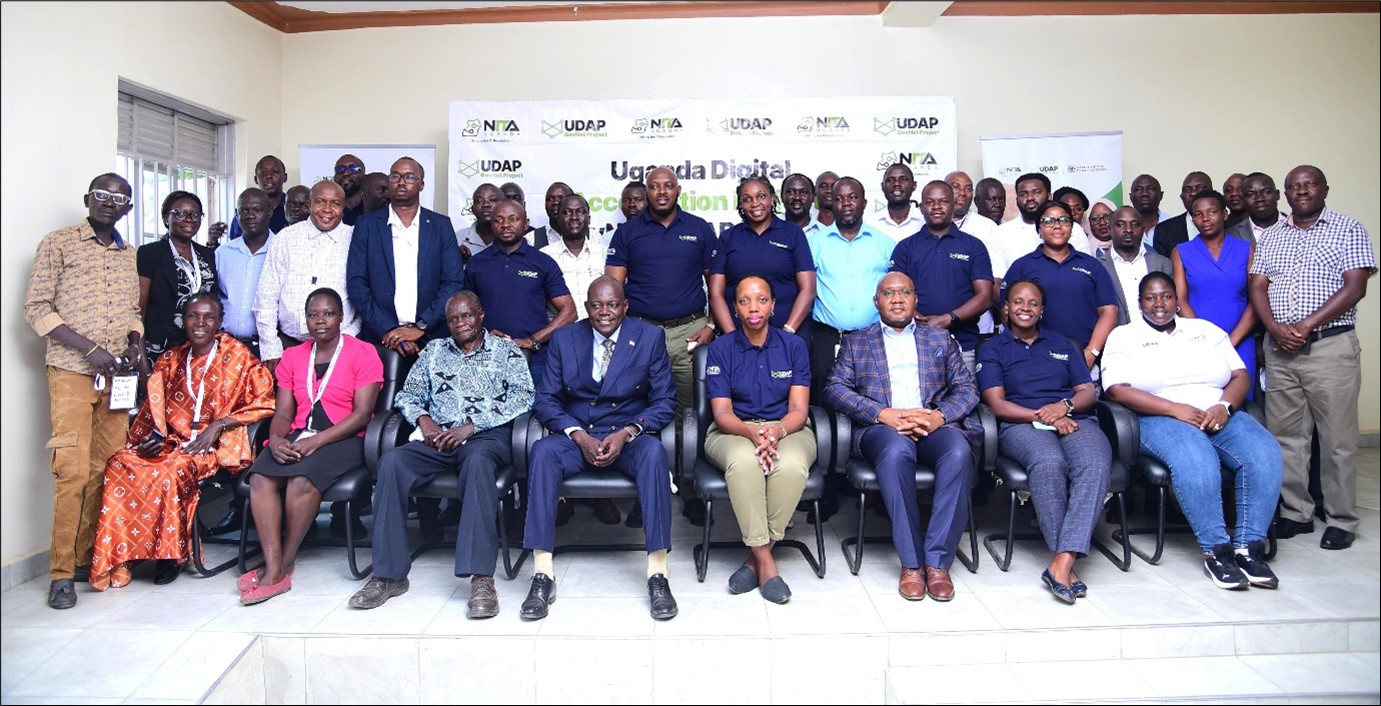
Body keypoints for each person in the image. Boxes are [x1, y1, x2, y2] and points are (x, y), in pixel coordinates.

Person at [348, 291, 534, 616]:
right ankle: (388, 576)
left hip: (484, 437)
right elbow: (408, 396)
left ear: (481, 314)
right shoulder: (434, 351)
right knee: (392, 462)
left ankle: (481, 579)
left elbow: (524, 396)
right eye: (453, 319)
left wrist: (471, 427)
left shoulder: (506, 351)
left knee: (477, 463)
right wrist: (425, 422)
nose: (460, 323)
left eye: (467, 316)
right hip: (437, 438)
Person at [1102, 273, 1283, 590]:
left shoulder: (1205, 330)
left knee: (1264, 452)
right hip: (1159, 417)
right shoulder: (1123, 336)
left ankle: (1248, 548)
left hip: (1217, 411)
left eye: (1166, 296)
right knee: (1196, 456)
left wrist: (1224, 406)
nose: (1159, 304)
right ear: (1140, 303)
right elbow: (1117, 389)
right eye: (1150, 298)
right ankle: (1218, 552)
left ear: (1177, 299)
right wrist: (1174, 408)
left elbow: (1240, 375)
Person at [520, 277, 680, 620]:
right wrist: (578, 435)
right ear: (586, 307)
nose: (604, 312)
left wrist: (628, 432)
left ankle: (658, 573)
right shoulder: (565, 338)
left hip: (627, 435)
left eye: (612, 305)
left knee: (654, 453)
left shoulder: (649, 337)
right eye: (596, 305)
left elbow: (665, 400)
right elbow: (546, 399)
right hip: (579, 435)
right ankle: (542, 573)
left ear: (625, 306)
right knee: (543, 452)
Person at [89, 295, 275, 589]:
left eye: (208, 317)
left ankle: (171, 555)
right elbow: (152, 413)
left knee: (171, 470)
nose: (200, 323)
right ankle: (122, 555)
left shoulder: (239, 357)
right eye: (193, 316)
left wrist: (219, 425)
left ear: (220, 322)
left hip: (213, 447)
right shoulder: (170, 359)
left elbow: (265, 402)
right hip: (172, 443)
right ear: (183, 320)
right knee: (119, 463)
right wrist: (149, 440)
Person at [24, 173, 145, 609]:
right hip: (72, 372)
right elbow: (36, 309)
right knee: (72, 473)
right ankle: (60, 575)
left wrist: (135, 343)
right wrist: (89, 349)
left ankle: (84, 559)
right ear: (87, 199)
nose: (109, 202)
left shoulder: (128, 253)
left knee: (105, 470)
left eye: (119, 197)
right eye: (101, 195)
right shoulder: (58, 243)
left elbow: (133, 311)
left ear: (128, 208)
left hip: (116, 379)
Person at [826, 272, 980, 602]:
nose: (897, 299)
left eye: (904, 292)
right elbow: (835, 388)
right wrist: (883, 413)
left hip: (932, 426)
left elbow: (967, 389)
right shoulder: (856, 342)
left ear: (915, 299)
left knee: (959, 451)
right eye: (888, 293)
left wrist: (938, 416)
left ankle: (937, 564)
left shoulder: (940, 339)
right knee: (897, 451)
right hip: (882, 429)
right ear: (876, 301)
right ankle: (911, 564)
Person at [1249, 164, 1377, 550]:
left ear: (1324, 189)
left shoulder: (1348, 229)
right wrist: (1274, 328)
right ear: (1285, 194)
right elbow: (1258, 285)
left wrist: (1306, 325)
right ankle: (1296, 512)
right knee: (1286, 437)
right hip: (1281, 349)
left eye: (1309, 185)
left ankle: (1341, 518)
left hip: (1328, 346)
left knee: (1337, 439)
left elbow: (1355, 287)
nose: (1301, 191)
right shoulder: (1273, 235)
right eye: (1294, 186)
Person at [240, 288, 383, 604]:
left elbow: (362, 415)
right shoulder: (293, 356)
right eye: (313, 315)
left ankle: (281, 566)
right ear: (305, 320)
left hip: (344, 438)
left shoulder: (363, 353)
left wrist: (317, 441)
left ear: (341, 317)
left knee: (300, 481)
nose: (320, 321)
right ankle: (274, 562)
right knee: (260, 478)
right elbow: (283, 413)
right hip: (299, 435)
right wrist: (277, 440)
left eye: (328, 313)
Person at [977, 279, 1112, 604]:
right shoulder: (993, 348)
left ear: (1042, 310)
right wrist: (1046, 417)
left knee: (1095, 463)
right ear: (1006, 308)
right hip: (1020, 424)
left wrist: (1063, 408)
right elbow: (997, 404)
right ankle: (1063, 562)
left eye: (1033, 303)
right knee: (1049, 462)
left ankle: (1062, 562)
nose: (1025, 308)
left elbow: (1087, 391)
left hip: (1073, 418)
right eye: (1018, 302)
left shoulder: (1063, 344)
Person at [704, 276, 815, 603]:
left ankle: (755, 559)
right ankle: (767, 562)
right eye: (745, 301)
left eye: (762, 300)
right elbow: (722, 413)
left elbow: (798, 409)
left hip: (788, 428)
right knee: (744, 462)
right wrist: (752, 433)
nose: (754, 308)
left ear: (773, 306)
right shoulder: (721, 349)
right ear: (735, 308)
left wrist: (776, 432)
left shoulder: (793, 346)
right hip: (734, 429)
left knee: (792, 464)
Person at [605, 165, 717, 412]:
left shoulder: (699, 228)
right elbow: (612, 289)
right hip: (642, 331)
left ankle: (685, 441)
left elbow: (717, 285)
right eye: (655, 186)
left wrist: (711, 326)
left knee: (690, 406)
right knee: (639, 402)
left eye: (668, 186)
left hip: (690, 332)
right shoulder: (627, 232)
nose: (662, 192)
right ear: (647, 192)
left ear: (679, 190)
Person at [346, 157, 464, 356]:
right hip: (380, 339)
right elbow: (356, 283)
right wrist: (390, 330)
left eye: (409, 177)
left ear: (422, 184)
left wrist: (421, 326)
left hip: (432, 337)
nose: (401, 182)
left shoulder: (440, 225)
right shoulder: (366, 225)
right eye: (395, 176)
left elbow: (453, 282)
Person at [253, 180, 361, 376]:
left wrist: (350, 339)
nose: (327, 209)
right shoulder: (285, 238)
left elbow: (365, 293)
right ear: (309, 204)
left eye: (335, 203)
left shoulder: (356, 239)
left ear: (343, 207)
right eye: (320, 202)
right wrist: (270, 347)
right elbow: (266, 296)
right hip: (289, 345)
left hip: (342, 347)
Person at [464, 199, 576, 386]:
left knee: (539, 405)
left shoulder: (543, 262)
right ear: (492, 225)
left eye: (513, 219)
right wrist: (482, 337)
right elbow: (465, 313)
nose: (506, 225)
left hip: (536, 360)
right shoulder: (476, 264)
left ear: (525, 223)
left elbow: (570, 312)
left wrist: (531, 341)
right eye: (499, 220)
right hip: (487, 357)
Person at [805, 176, 895, 403]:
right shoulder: (815, 243)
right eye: (839, 198)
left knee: (872, 399)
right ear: (830, 203)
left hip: (873, 337)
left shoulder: (884, 243)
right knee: (823, 400)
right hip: (827, 337)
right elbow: (805, 288)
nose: (845, 203)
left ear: (864, 203)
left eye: (852, 197)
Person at [887, 181, 994, 373]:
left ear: (953, 204)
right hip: (915, 346)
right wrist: (918, 319)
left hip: (964, 346)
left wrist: (948, 318)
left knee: (965, 393)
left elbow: (985, 297)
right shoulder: (905, 248)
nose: (936, 207)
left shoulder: (973, 246)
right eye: (930, 202)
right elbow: (894, 293)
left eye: (943, 201)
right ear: (921, 207)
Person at [1002, 200, 1119, 367]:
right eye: (1048, 221)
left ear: (1072, 229)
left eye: (1064, 220)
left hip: (1084, 357)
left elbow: (1109, 311)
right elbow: (1006, 311)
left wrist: (1091, 352)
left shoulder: (1092, 265)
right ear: (1039, 229)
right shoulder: (1022, 266)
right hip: (1034, 359)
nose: (1057, 226)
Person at [1173, 190, 1258, 397]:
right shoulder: (1181, 251)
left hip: (1241, 337)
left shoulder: (1247, 250)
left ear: (1225, 214)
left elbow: (1256, 300)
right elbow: (1180, 299)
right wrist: (1203, 339)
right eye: (1198, 214)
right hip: (1198, 341)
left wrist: (1231, 341)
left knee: (1242, 401)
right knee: (1204, 399)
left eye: (1212, 212)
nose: (1205, 218)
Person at [709, 176, 816, 340]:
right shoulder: (728, 238)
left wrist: (787, 333)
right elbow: (716, 294)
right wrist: (732, 338)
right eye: (747, 199)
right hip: (739, 336)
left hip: (789, 334)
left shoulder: (793, 233)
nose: (755, 203)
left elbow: (808, 290)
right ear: (740, 204)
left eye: (761, 196)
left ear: (772, 198)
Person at [139, 190, 219, 359]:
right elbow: (140, 310)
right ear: (165, 218)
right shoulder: (150, 253)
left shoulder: (208, 255)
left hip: (200, 348)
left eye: (195, 214)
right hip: (160, 349)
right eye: (180, 213)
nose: (189, 219)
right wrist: (142, 361)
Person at [992, 173, 1093, 287]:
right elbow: (998, 282)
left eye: (1037, 192)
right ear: (1017, 199)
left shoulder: (1072, 229)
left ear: (1049, 196)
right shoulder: (1001, 233)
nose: (1030, 198)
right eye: (1023, 194)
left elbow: (1088, 272)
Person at [217, 188, 276, 359]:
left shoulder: (281, 250)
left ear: (270, 211)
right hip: (225, 347)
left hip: (268, 350)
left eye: (257, 210)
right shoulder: (223, 253)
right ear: (237, 213)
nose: (250, 216)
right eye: (244, 210)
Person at [1098, 205, 1172, 326]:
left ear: (1143, 229)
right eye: (1120, 224)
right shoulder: (1098, 267)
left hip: (1160, 333)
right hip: (1115, 335)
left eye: (1135, 224)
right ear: (1109, 229)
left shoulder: (1163, 264)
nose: (1128, 230)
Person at [541, 194, 607, 320]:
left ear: (589, 219)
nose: (574, 217)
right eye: (567, 212)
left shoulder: (604, 254)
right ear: (558, 219)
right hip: (560, 329)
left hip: (599, 327)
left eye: (580, 212)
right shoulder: (544, 256)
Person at [222, 155, 291, 241]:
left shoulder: (294, 209)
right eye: (263, 173)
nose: (269, 176)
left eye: (275, 172)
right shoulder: (244, 213)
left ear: (285, 177)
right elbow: (235, 244)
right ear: (256, 179)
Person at [1152, 171, 1214, 258]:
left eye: (1200, 188)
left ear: (1212, 193)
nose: (1193, 193)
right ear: (1181, 196)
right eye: (1187, 190)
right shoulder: (1164, 230)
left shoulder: (1227, 225)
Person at [869, 163, 924, 243]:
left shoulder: (924, 221)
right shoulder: (870, 223)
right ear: (882, 186)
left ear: (914, 185)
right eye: (890, 180)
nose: (896, 184)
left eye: (903, 179)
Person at [1228, 172, 1285, 245]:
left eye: (1266, 192)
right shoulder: (1229, 235)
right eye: (1250, 195)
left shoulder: (1296, 226)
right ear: (1243, 200)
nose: (1259, 199)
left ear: (1277, 195)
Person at [455, 182, 503, 263]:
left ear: (504, 206)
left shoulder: (513, 239)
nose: (486, 204)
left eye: (492, 200)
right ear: (472, 209)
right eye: (479, 200)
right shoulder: (458, 239)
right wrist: (455, 257)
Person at [1129, 174, 1172, 253]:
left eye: (1151, 189)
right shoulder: (1122, 228)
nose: (1145, 194)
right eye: (1138, 189)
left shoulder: (1173, 224)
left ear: (1161, 195)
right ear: (1131, 197)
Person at [529, 181, 573, 249]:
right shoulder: (531, 239)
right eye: (549, 199)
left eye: (561, 198)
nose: (555, 202)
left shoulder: (590, 236)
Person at [334, 153, 368, 226]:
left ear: (363, 175)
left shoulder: (372, 205)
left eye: (352, 169)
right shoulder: (328, 207)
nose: (345, 173)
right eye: (340, 169)